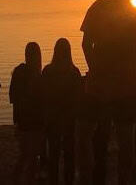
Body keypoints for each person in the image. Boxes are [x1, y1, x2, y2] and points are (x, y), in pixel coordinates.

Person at [77, 0, 136, 185]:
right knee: (123, 141)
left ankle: (89, 177)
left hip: (105, 86)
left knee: (86, 137)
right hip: (120, 87)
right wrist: (103, 71)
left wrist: (95, 69)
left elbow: (86, 44)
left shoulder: (100, 8)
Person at [41, 38, 84, 184]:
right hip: (68, 119)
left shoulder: (48, 71)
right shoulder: (74, 72)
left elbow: (43, 96)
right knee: (69, 156)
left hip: (53, 119)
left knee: (54, 155)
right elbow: (79, 98)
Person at [10, 42, 45, 184]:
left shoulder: (18, 72)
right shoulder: (36, 76)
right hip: (34, 122)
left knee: (25, 155)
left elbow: (12, 97)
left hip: (22, 121)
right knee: (32, 156)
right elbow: (41, 99)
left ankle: (16, 179)